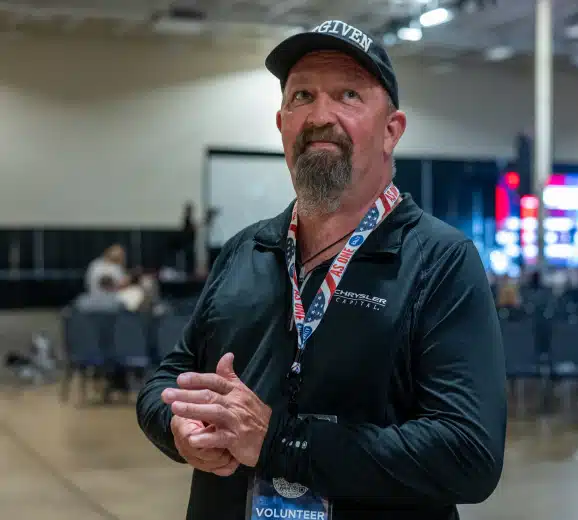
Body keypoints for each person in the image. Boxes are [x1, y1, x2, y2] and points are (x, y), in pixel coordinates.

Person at [136, 20, 506, 520]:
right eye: (301, 96)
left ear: (391, 130)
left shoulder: (440, 261)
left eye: (348, 94)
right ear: (282, 123)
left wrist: (279, 442)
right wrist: (178, 426)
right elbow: (170, 378)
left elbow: (468, 454)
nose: (319, 116)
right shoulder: (248, 249)